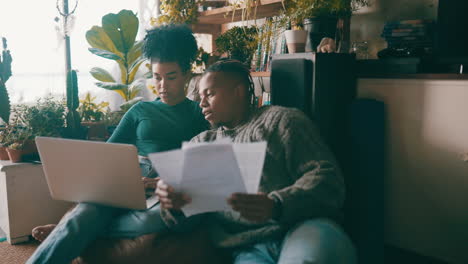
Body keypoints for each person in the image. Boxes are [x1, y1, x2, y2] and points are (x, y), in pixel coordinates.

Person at [27, 24, 208, 264]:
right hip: (130, 177)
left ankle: (70, 231)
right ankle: (72, 229)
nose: (163, 85)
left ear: (186, 74)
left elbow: (204, 161)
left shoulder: (200, 113)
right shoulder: (140, 109)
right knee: (86, 212)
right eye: (156, 77)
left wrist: (166, 182)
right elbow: (107, 155)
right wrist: (125, 179)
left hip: (168, 186)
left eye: (171, 77)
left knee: (156, 220)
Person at [155, 59, 357, 264]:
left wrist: (276, 204)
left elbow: (329, 179)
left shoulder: (282, 120)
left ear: (238, 92)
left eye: (210, 94)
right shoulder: (201, 144)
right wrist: (173, 204)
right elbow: (184, 222)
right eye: (200, 97)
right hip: (250, 247)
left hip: (304, 226)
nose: (202, 103)